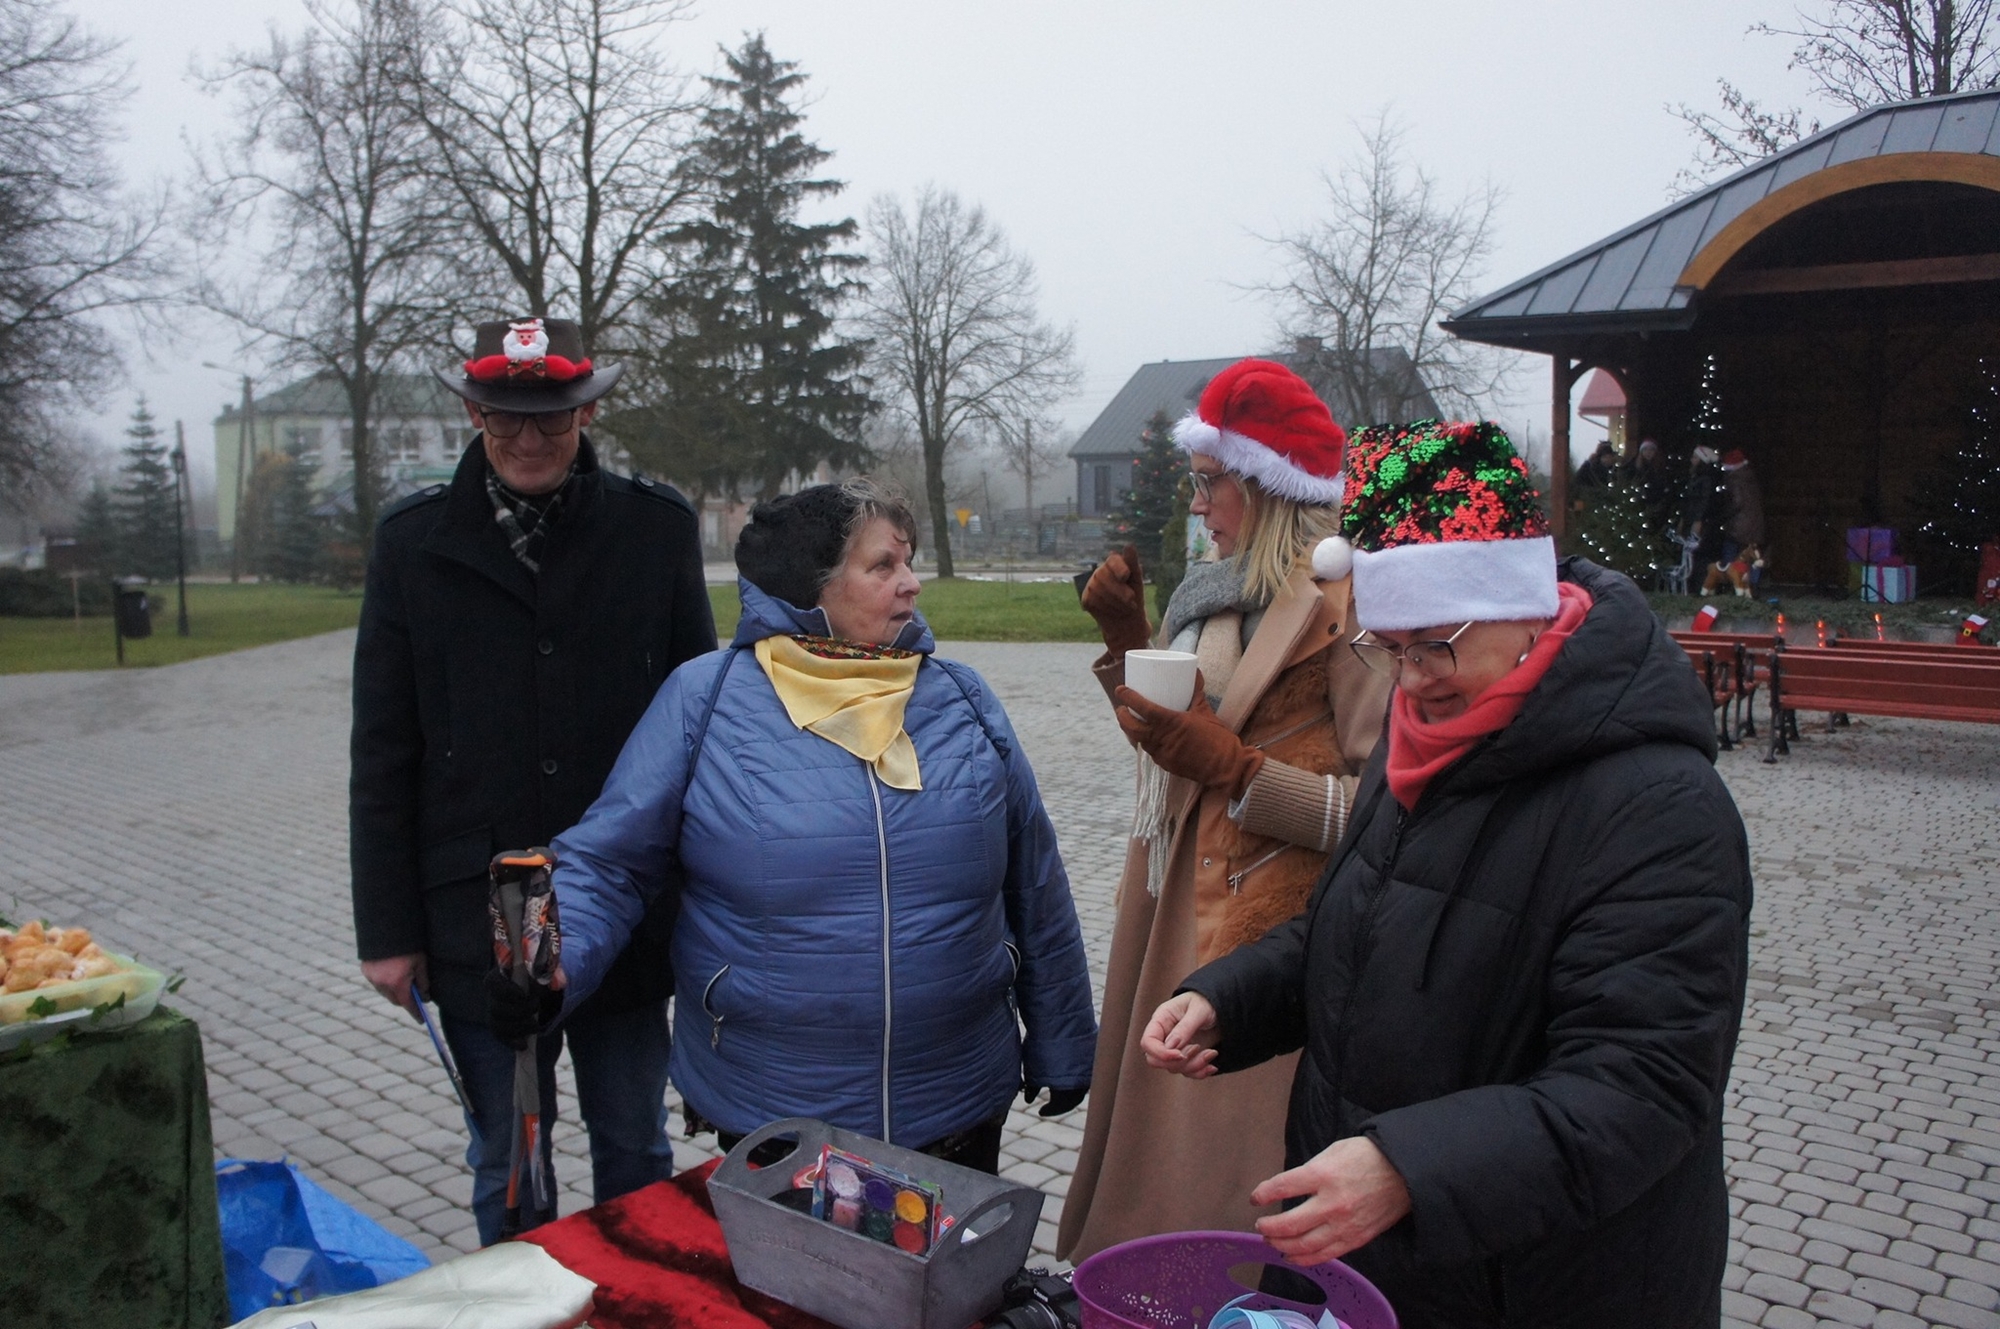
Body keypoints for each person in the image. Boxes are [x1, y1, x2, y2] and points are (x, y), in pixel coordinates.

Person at [1144, 419, 1752, 1329]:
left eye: (1436, 642)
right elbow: (1358, 929)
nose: (1413, 678)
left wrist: (1407, 1169)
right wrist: (1230, 998)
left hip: (1545, 1286)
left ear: (1524, 606)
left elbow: (1642, 1085)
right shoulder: (1424, 737)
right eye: (1391, 648)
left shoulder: (1657, 803)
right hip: (1379, 1261)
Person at [535, 480, 1097, 1173]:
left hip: (957, 1097)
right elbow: (609, 863)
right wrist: (553, 964)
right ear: (813, 587)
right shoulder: (704, 700)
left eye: (909, 561)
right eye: (883, 565)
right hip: (776, 1110)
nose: (912, 583)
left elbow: (1036, 880)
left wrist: (1064, 1040)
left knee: (957, 1249)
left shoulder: (962, 697)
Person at [350, 316, 715, 1244]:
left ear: (586, 412)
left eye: (551, 416)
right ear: (474, 412)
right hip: (474, 914)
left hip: (624, 906)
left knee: (635, 1145)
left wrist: (709, 899)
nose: (528, 438)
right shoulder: (411, 543)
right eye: (505, 416)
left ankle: (639, 1304)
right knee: (509, 1160)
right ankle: (521, 1303)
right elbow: (383, 750)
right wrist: (387, 932)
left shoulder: (656, 530)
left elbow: (700, 730)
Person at [1059, 359, 1392, 1261]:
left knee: (1222, 1170)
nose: (1196, 502)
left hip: (1263, 930)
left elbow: (1384, 818)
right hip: (1172, 896)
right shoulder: (1212, 590)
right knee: (1156, 1149)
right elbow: (1171, 748)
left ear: (1269, 487)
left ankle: (1224, 1295)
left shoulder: (1349, 607)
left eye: (1211, 482)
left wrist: (1245, 774)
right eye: (1195, 480)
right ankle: (1142, 1285)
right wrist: (1127, 640)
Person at [1703, 447, 1767, 596]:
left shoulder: (1734, 479)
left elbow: (1737, 503)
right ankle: (1751, 586)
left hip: (1738, 525)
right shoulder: (1750, 477)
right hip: (1754, 525)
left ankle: (1730, 583)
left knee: (1731, 554)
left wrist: (1724, 516)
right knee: (1751, 557)